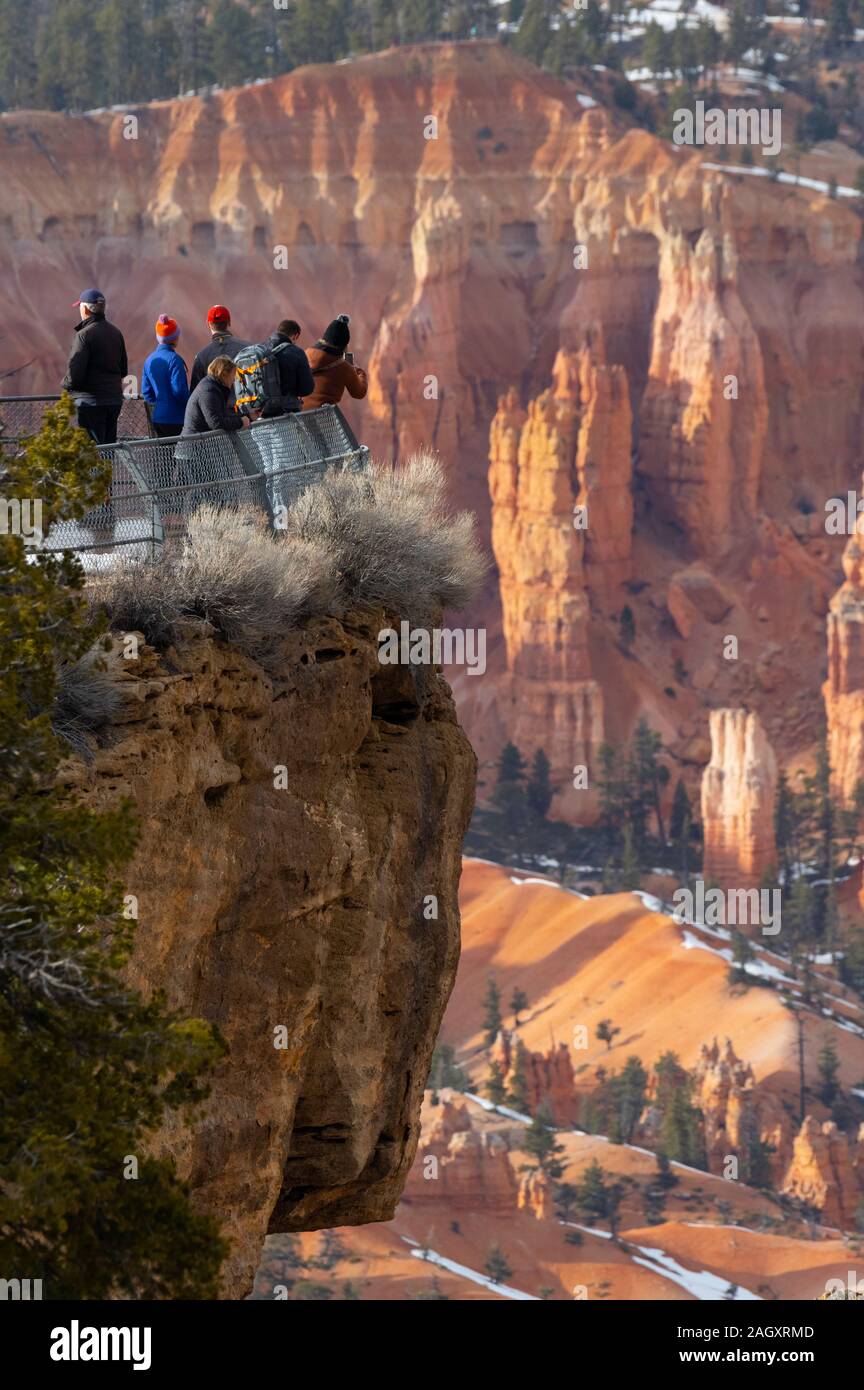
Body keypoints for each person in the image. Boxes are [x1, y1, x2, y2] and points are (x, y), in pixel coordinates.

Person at [62, 288, 128, 443]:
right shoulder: (116, 333)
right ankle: (107, 468)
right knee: (108, 449)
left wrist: (65, 383)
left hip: (90, 403)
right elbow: (123, 370)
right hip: (114, 400)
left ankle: (95, 469)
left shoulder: (83, 335)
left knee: (92, 453)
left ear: (85, 308)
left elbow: (74, 375)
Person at [303, 314, 368, 411]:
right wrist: (359, 371)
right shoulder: (344, 367)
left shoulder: (305, 354)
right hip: (323, 420)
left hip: (299, 416)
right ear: (343, 346)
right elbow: (359, 393)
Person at [141, 314, 190, 437]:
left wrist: (160, 404)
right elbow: (179, 391)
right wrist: (190, 404)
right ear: (175, 338)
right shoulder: (175, 360)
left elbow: (146, 392)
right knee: (180, 455)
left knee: (164, 455)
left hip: (158, 418)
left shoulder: (149, 360)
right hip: (177, 418)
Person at [257, 319, 315, 416]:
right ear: (295, 336)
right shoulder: (296, 352)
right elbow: (307, 388)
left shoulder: (260, 349)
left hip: (261, 411)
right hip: (287, 412)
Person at [181, 356, 252, 435]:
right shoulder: (209, 391)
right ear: (224, 374)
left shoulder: (213, 387)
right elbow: (215, 422)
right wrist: (241, 422)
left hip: (201, 441)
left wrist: (248, 416)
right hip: (195, 443)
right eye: (233, 374)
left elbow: (223, 415)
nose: (234, 380)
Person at [189, 306, 250, 389]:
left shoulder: (201, 357)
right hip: (246, 401)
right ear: (229, 322)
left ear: (208, 324)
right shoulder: (248, 348)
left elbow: (196, 391)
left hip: (214, 402)